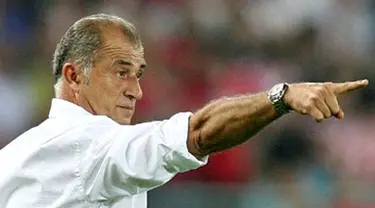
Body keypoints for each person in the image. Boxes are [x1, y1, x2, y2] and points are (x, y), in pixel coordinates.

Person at [0, 14, 369, 208]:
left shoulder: (13, 156)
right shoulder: (93, 145)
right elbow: (197, 134)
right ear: (73, 75)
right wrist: (281, 97)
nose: (136, 90)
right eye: (120, 72)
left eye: (139, 74)